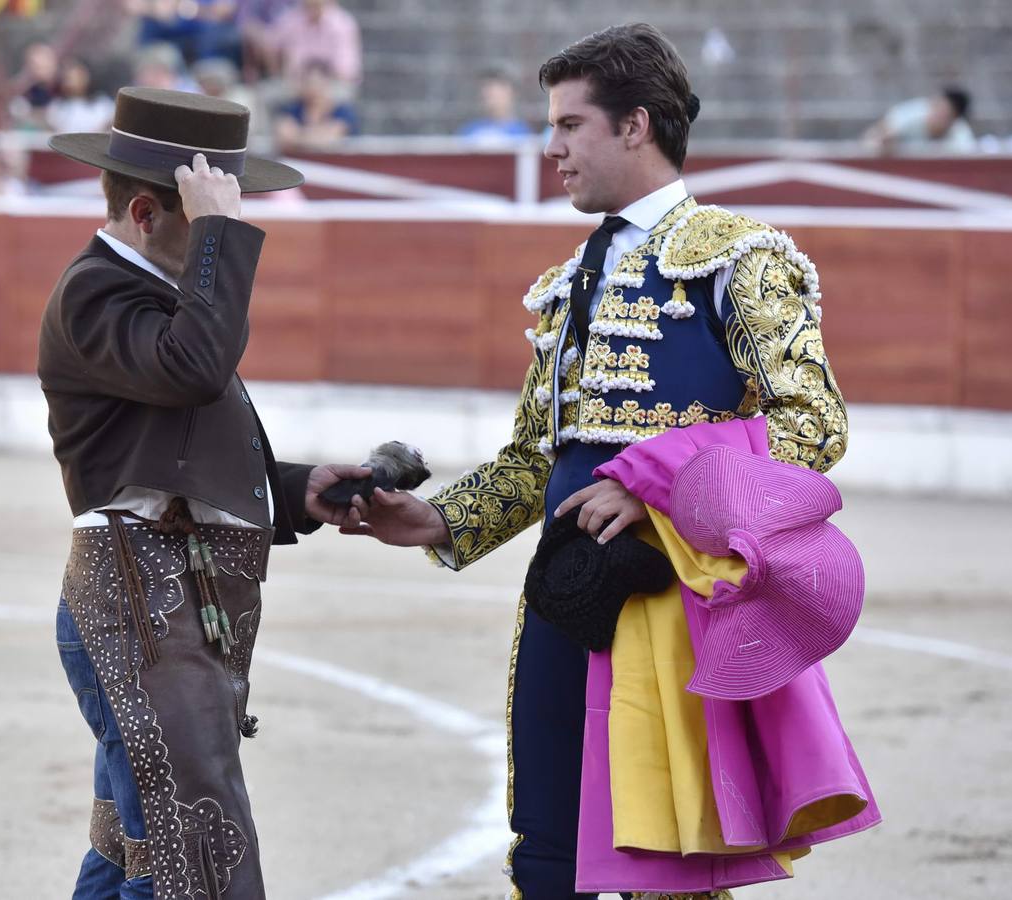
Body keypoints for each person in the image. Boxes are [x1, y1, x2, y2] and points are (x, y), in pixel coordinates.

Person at [343, 23, 847, 899]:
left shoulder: (740, 259)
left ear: (635, 125)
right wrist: (440, 519)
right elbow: (543, 457)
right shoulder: (571, 279)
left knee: (670, 863)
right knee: (547, 844)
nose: (552, 148)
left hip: (674, 588)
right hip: (566, 590)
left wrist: (657, 492)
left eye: (570, 125)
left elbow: (814, 425)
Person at [41, 87, 370, 899]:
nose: (222, 224)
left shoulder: (147, 297)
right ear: (148, 211)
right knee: (187, 850)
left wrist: (294, 491)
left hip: (155, 597)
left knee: (137, 845)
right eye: (206, 209)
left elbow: (177, 442)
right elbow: (194, 370)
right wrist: (220, 239)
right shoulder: (94, 290)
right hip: (135, 602)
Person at [263, 0, 361, 88]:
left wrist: (316, 81)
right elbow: (270, 46)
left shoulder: (342, 24)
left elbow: (346, 71)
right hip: (295, 85)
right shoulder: (291, 19)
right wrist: (277, 70)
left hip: (332, 85)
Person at [272, 60, 358, 151]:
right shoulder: (291, 109)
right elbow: (283, 136)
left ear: (327, 83)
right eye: (306, 82)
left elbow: (330, 138)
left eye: (316, 82)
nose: (312, 88)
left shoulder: (343, 110)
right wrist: (316, 135)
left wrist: (297, 136)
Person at [863, 87, 977, 154]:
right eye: (936, 108)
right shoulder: (909, 115)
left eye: (945, 114)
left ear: (954, 119)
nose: (936, 115)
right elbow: (874, 137)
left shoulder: (960, 132)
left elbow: (968, 153)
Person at [459, 68, 534, 144]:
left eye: (493, 88)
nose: (487, 93)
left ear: (512, 92)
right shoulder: (469, 132)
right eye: (484, 87)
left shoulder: (523, 134)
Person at [46, 57, 115, 134]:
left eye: (78, 76)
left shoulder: (103, 105)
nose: (72, 80)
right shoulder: (57, 106)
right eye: (68, 76)